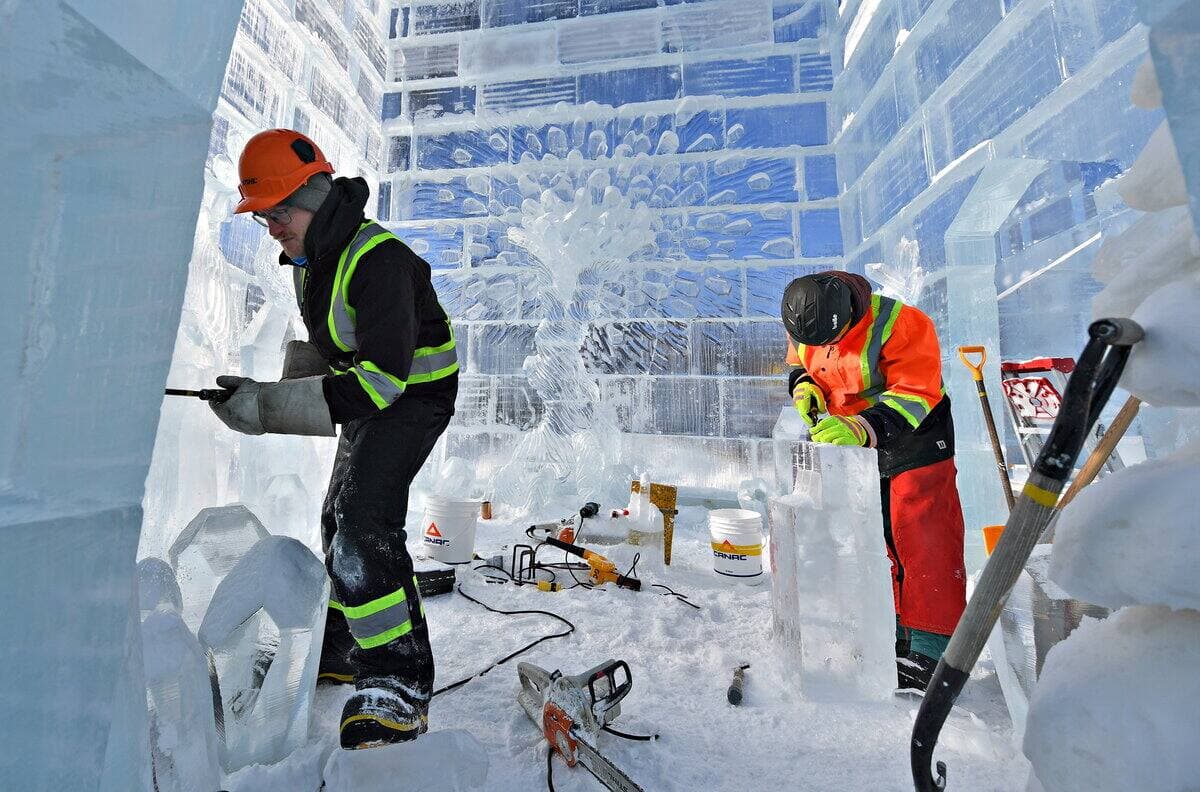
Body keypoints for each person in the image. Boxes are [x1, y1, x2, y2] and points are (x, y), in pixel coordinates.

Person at [208, 129, 458, 748]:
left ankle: (398, 681)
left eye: (276, 212)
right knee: (335, 519)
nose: (269, 226)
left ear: (314, 196)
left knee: (363, 524)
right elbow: (338, 352)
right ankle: (347, 643)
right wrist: (267, 387)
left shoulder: (380, 262)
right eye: (263, 215)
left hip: (414, 396)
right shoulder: (312, 259)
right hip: (374, 389)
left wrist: (267, 407)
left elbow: (379, 381)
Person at [780, 271, 966, 691]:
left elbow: (917, 393)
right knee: (880, 537)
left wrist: (863, 428)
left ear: (848, 311)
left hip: (916, 439)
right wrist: (803, 387)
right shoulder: (807, 318)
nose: (824, 349)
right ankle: (898, 633)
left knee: (923, 540)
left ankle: (933, 650)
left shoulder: (903, 324)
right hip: (860, 446)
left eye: (832, 339)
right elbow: (798, 361)